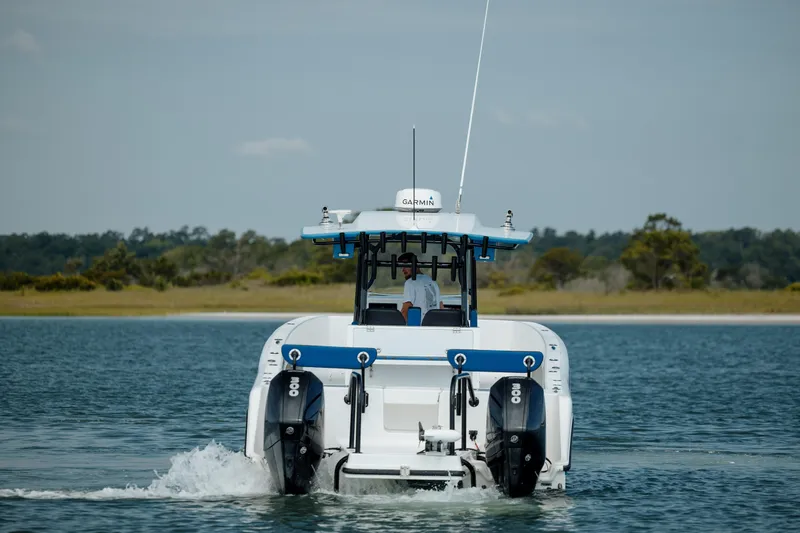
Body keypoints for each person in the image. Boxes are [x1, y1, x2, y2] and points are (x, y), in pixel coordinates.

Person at [397, 252, 443, 323]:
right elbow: (441, 307)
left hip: (419, 327)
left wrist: (398, 326)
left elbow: (405, 310)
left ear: (416, 265)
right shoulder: (433, 283)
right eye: (402, 267)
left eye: (406, 266)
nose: (403, 270)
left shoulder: (410, 283)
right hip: (434, 326)